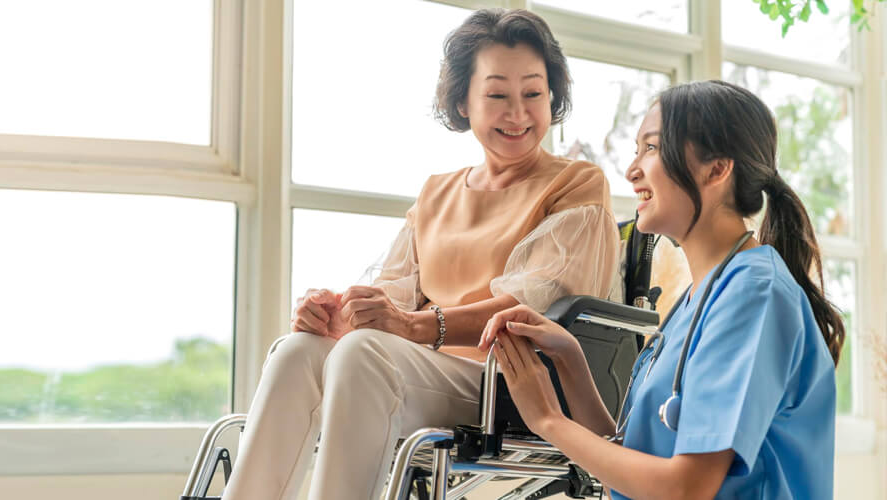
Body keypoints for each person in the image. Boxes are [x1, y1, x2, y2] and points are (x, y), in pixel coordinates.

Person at [223, 8, 621, 500]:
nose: (518, 113)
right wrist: (335, 313)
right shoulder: (436, 192)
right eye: (497, 95)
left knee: (363, 353)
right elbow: (391, 299)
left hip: (508, 382)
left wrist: (414, 326)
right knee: (298, 351)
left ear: (552, 96)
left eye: (533, 93)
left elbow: (529, 311)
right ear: (462, 103)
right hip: (418, 370)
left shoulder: (576, 184)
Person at [480, 80, 844, 499]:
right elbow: (628, 457)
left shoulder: (754, 293)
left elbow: (687, 488)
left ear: (716, 169)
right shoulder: (697, 299)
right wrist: (570, 358)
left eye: (650, 148)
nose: (632, 169)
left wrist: (548, 421)